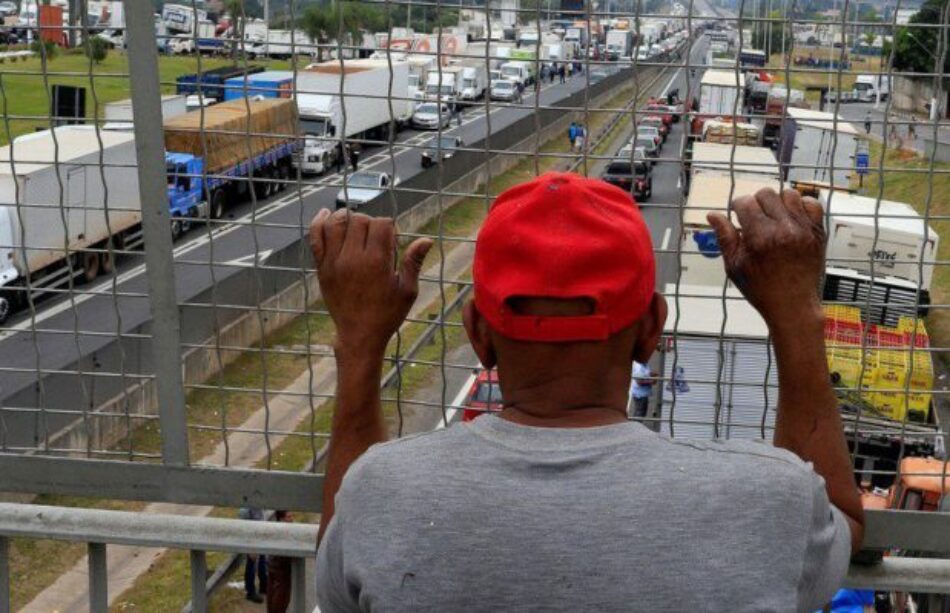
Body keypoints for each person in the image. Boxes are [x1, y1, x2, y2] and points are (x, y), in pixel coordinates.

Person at [310, 175, 862, 610]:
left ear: (478, 334)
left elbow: (336, 573)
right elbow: (842, 514)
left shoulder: (380, 496)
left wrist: (360, 344)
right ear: (651, 330)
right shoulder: (767, 499)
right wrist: (795, 313)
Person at [266, 511, 294, 613]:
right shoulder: (285, 531)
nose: (292, 519)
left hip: (273, 569)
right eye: (289, 517)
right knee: (279, 605)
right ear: (282, 519)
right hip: (281, 573)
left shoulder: (274, 528)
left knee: (273, 604)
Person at [238, 507, 267, 603]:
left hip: (259, 530)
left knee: (262, 559)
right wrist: (249, 542)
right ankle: (250, 592)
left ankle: (264, 585)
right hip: (252, 535)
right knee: (252, 562)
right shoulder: (246, 507)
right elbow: (243, 517)